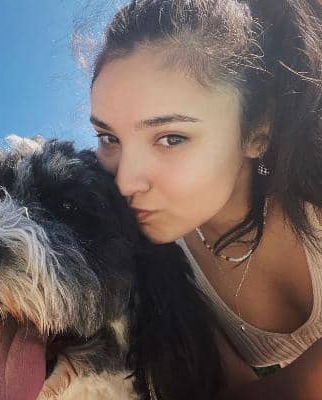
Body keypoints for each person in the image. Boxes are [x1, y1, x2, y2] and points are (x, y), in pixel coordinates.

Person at [86, 0, 322, 398]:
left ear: (257, 132)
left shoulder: (311, 186)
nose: (125, 182)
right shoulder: (161, 265)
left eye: (171, 138)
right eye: (109, 138)